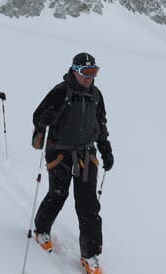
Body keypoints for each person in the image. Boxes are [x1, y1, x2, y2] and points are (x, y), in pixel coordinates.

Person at [31, 52, 113, 274]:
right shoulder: (60, 92)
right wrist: (44, 121)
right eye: (86, 72)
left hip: (87, 154)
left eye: (94, 72)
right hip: (59, 152)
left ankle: (91, 254)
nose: (89, 77)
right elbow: (37, 115)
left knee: (88, 205)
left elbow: (101, 123)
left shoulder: (96, 95)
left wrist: (105, 149)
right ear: (75, 71)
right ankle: (41, 230)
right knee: (58, 193)